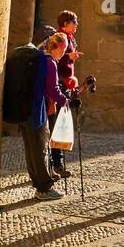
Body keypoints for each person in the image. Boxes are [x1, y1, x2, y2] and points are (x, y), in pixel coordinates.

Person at [29, 32, 70, 201]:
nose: (63, 53)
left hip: (26, 108)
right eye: (64, 49)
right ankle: (44, 189)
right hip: (38, 109)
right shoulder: (50, 63)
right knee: (41, 149)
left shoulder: (39, 58)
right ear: (59, 47)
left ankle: (39, 183)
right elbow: (52, 90)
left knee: (32, 150)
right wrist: (65, 101)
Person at [50, 11, 82, 180]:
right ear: (65, 23)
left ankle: (58, 164)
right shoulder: (59, 37)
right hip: (59, 86)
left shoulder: (70, 38)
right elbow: (53, 58)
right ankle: (54, 165)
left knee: (61, 125)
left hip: (67, 85)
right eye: (74, 22)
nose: (77, 25)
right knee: (55, 124)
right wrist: (68, 57)